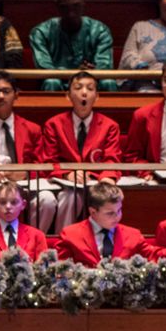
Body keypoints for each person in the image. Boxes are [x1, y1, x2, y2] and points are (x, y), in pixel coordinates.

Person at [35, 71, 122, 228]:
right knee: (70, 196)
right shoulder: (54, 124)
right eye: (78, 88)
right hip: (64, 183)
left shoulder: (110, 126)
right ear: (68, 96)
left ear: (97, 96)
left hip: (95, 181)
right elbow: (49, 160)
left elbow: (112, 159)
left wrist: (107, 178)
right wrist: (67, 173)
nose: (84, 93)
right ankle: (63, 237)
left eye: (90, 88)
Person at [29, 0, 115, 91]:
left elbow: (104, 67)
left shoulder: (100, 30)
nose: (71, 14)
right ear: (57, 5)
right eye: (65, 8)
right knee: (51, 82)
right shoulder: (41, 33)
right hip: (59, 83)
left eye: (76, 6)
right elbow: (46, 69)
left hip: (91, 84)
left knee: (108, 82)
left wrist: (88, 74)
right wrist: (80, 73)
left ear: (83, 2)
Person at [58, 181, 154, 265]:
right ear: (93, 212)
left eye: (119, 210)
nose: (117, 216)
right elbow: (60, 269)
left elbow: (153, 255)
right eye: (110, 213)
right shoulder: (70, 235)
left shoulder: (133, 235)